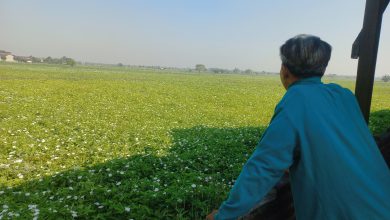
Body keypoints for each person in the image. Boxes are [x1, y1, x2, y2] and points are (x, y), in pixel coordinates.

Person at [206, 34, 390, 220]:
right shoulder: (343, 95)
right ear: (323, 69)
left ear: (284, 70)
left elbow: (262, 168)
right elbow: (338, 144)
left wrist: (223, 216)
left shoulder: (296, 100)